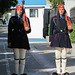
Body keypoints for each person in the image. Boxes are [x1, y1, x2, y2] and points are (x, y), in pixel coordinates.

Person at [49, 4, 73, 75]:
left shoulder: (68, 18)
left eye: (62, 9)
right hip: (56, 38)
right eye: (60, 9)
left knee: (64, 56)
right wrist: (50, 39)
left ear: (64, 10)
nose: (61, 11)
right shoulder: (54, 18)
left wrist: (70, 29)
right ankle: (58, 72)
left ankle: (63, 72)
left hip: (65, 37)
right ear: (58, 10)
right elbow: (51, 29)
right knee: (57, 56)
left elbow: (70, 29)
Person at [8, 5, 30, 75]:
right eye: (18, 10)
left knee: (22, 59)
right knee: (16, 58)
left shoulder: (26, 19)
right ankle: (17, 73)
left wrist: (27, 29)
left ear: (22, 10)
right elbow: (10, 31)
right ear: (16, 11)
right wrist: (9, 41)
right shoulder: (12, 19)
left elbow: (29, 31)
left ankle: (21, 73)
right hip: (15, 40)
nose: (19, 11)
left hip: (23, 40)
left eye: (21, 10)